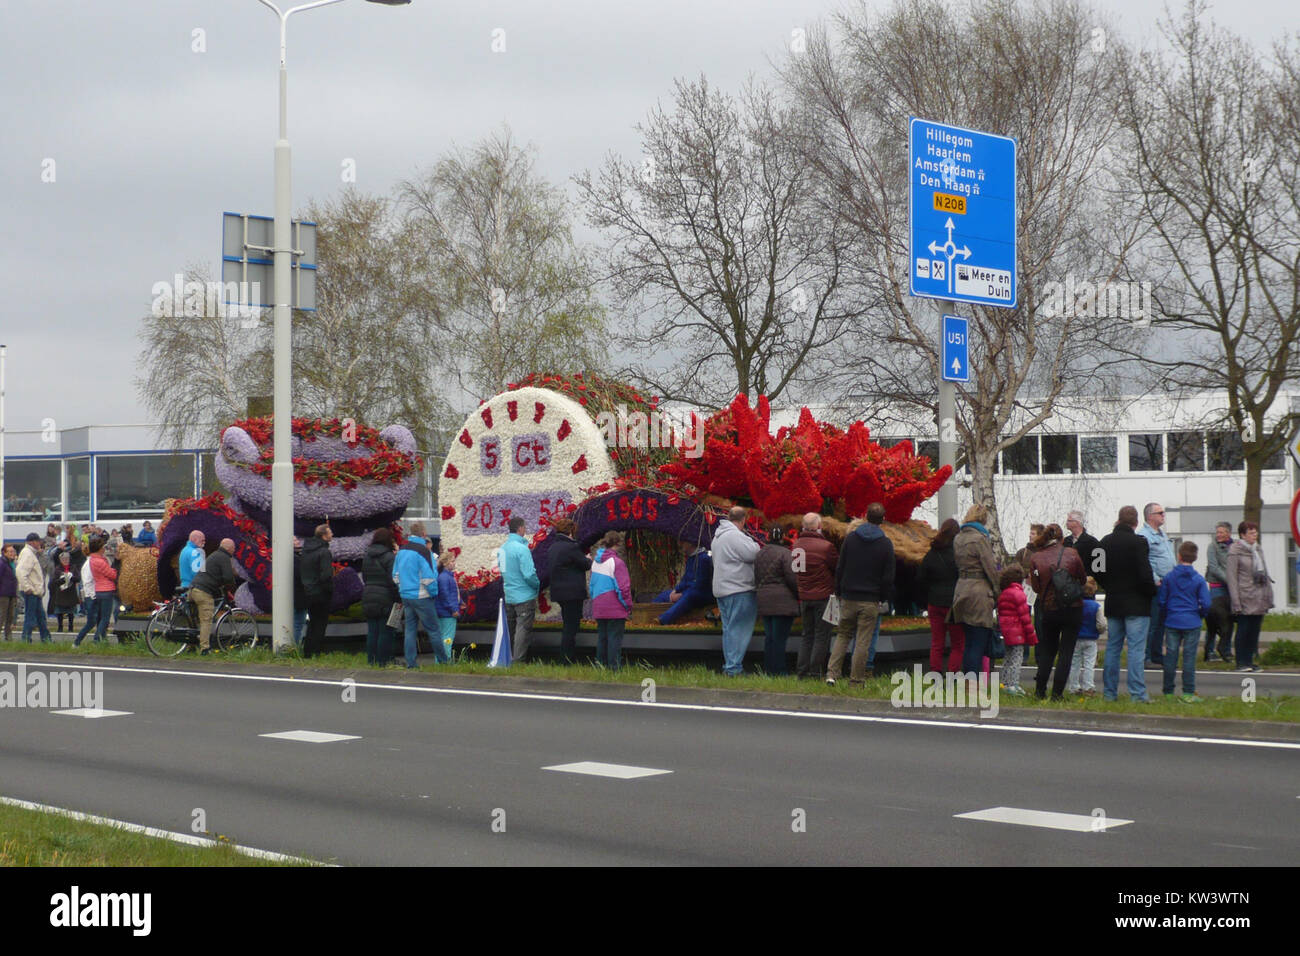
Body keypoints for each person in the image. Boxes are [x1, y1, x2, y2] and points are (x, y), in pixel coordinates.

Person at [829, 503, 895, 686]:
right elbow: (888, 576)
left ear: (865, 516)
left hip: (849, 596)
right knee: (862, 641)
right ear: (883, 519)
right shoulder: (885, 544)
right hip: (870, 599)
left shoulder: (851, 539)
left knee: (843, 636)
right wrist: (882, 597)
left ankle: (832, 674)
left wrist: (839, 590)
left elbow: (841, 566)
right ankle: (856, 679)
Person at [1097, 505, 1157, 702]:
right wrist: (1151, 592)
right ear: (1136, 522)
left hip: (1114, 601)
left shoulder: (1105, 542)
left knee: (1113, 648)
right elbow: (1145, 573)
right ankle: (1137, 694)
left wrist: (1109, 586)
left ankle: (1109, 693)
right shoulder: (1139, 543)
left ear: (1119, 520)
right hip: (1137, 603)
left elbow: (1097, 570)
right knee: (1136, 650)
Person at [1029, 523, 1086, 700]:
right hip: (1072, 607)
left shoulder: (1036, 558)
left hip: (1049, 609)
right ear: (1062, 538)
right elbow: (1082, 579)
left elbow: (1037, 587)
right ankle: (1057, 694)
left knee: (1047, 650)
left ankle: (1039, 691)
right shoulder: (1072, 554)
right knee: (1066, 652)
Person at [950, 503, 999, 677]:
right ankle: (972, 684)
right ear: (983, 518)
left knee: (968, 641)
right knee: (978, 642)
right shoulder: (980, 538)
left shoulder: (958, 538)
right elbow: (990, 567)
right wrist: (997, 591)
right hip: (978, 592)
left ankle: (966, 681)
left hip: (961, 589)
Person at [711, 506, 761, 677]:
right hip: (738, 588)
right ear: (743, 520)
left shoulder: (718, 537)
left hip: (722, 589)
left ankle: (730, 665)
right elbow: (753, 553)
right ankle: (733, 668)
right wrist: (754, 543)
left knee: (730, 629)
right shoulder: (735, 536)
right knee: (739, 629)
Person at [1159, 540, 1211, 701]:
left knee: (1170, 657)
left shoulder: (1169, 578)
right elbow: (1207, 603)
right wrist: (1200, 614)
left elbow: (1162, 601)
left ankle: (1168, 692)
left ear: (1179, 556)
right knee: (1189, 658)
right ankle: (1188, 692)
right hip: (1192, 621)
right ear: (1195, 557)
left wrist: (1167, 613)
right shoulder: (1198, 580)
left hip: (1173, 620)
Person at [793, 513, 838, 679]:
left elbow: (795, 570)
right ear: (818, 526)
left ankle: (801, 671)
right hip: (823, 595)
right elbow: (837, 567)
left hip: (804, 596)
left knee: (807, 635)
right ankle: (814, 672)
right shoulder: (826, 547)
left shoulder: (796, 545)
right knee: (821, 636)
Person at [919, 517, 964, 674]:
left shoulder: (932, 554)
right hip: (954, 605)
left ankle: (935, 674)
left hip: (934, 603)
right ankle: (952, 675)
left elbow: (921, 579)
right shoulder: (959, 555)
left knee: (937, 642)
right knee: (958, 644)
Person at [1226, 521, 1272, 672]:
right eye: (1251, 533)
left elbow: (1264, 572)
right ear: (1242, 535)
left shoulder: (1257, 549)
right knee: (1244, 629)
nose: (1255, 535)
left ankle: (1250, 660)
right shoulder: (1235, 551)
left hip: (1259, 595)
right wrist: (1235, 601)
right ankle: (1241, 661)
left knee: (1254, 630)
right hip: (1244, 595)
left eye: (1255, 532)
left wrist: (1268, 595)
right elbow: (1231, 577)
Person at [393, 521, 439, 669]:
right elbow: (429, 578)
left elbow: (395, 575)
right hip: (422, 596)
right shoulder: (425, 551)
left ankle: (411, 663)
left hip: (406, 595)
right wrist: (434, 593)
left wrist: (403, 588)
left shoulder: (402, 551)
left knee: (410, 630)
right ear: (424, 534)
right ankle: (444, 661)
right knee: (433, 630)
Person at [755, 525, 799, 676]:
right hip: (783, 602)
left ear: (768, 537)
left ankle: (768, 669)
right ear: (782, 537)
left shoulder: (759, 554)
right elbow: (792, 578)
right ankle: (780, 671)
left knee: (770, 637)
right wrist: (799, 595)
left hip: (764, 600)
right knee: (780, 639)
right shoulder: (786, 554)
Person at [546, 517, 591, 662]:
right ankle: (566, 658)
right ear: (571, 531)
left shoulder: (553, 547)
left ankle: (567, 656)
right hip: (572, 593)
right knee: (571, 628)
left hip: (559, 593)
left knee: (567, 624)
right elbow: (585, 564)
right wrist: (588, 558)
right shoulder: (571, 547)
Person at [1138, 502, 1175, 666]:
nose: (1163, 515)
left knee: (1162, 623)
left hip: (1168, 584)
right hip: (1156, 585)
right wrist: (1155, 579)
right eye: (1160, 513)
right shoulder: (1144, 535)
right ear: (1150, 516)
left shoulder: (1162, 534)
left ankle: (1157, 655)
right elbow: (1144, 560)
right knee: (1153, 623)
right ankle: (1147, 657)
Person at [590, 531, 632, 670]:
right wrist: (627, 606)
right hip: (615, 607)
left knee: (602, 638)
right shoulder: (617, 563)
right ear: (618, 544)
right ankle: (614, 668)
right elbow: (623, 588)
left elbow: (592, 586)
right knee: (614, 638)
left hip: (599, 605)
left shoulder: (595, 563)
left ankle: (600, 666)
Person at [500, 516, 540, 662]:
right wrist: (536, 585)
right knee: (523, 630)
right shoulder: (522, 549)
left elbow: (502, 571)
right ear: (520, 528)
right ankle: (519, 661)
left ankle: (509, 659)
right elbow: (529, 574)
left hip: (509, 594)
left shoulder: (503, 549)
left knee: (511, 629)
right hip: (524, 595)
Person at [190, 538, 237, 655]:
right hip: (203, 592)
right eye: (234, 548)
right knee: (206, 619)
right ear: (228, 548)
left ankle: (190, 645)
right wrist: (233, 587)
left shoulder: (214, 555)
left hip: (193, 590)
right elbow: (228, 577)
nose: (234, 550)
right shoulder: (224, 557)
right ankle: (205, 649)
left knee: (193, 619)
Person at [361, 528, 400, 666]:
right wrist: (398, 598)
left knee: (372, 631)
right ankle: (383, 661)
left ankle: (371, 660)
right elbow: (393, 580)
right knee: (385, 631)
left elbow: (365, 577)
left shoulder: (367, 556)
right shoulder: (389, 557)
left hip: (368, 594)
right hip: (385, 597)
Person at [996, 565, 1036, 696]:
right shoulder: (1019, 594)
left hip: (1007, 631)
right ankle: (1013, 684)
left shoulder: (1003, 594)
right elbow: (1025, 617)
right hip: (1017, 631)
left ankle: (1005, 683)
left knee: (1008, 658)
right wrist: (1031, 635)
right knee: (1017, 659)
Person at [654, 540, 714, 625]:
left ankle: (663, 620)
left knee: (689, 596)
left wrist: (681, 594)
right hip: (690, 591)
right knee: (665, 594)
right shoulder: (691, 558)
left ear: (690, 543)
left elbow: (700, 584)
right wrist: (675, 591)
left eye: (683, 541)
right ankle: (650, 613)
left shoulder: (704, 558)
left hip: (702, 594)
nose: (679, 544)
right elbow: (685, 579)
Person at [1065, 577, 1106, 696]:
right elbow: (1101, 624)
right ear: (1094, 590)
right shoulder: (1096, 606)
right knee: (1089, 664)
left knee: (1075, 663)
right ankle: (1088, 686)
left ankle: (1074, 687)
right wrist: (1099, 631)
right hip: (1091, 638)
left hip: (1076, 637)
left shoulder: (1075, 605)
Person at [299, 525, 335, 659]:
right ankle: (316, 652)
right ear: (324, 536)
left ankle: (308, 651)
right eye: (330, 532)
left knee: (313, 623)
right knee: (320, 624)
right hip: (321, 592)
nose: (332, 534)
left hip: (308, 591)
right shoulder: (324, 552)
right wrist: (330, 590)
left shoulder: (306, 550)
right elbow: (326, 574)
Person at [1203, 521, 1235, 663]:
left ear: (1228, 533)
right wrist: (1229, 580)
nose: (1219, 535)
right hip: (1217, 587)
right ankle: (1209, 651)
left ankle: (1226, 650)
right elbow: (1214, 567)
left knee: (1228, 620)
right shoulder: (1212, 547)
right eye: (1217, 532)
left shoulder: (1235, 546)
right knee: (1214, 621)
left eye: (1222, 532)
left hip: (1231, 588)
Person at [17, 533, 53, 643]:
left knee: (40, 616)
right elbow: (20, 571)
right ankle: (26, 639)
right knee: (31, 616)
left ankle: (46, 638)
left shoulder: (31, 553)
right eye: (37, 541)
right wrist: (27, 587)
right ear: (31, 542)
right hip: (31, 591)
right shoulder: (28, 554)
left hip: (34, 591)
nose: (39, 543)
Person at [87, 535, 121, 644]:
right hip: (106, 590)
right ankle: (96, 639)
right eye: (103, 547)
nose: (104, 548)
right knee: (105, 618)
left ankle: (103, 638)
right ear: (98, 548)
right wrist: (115, 569)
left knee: (101, 616)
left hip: (99, 589)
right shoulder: (100, 561)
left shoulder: (92, 560)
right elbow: (111, 574)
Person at [434, 550, 461, 664]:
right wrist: (453, 609)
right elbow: (445, 595)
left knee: (441, 637)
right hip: (447, 613)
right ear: (445, 563)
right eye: (452, 561)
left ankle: (439, 661)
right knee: (447, 638)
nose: (454, 563)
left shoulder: (443, 576)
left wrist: (461, 601)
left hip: (441, 611)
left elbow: (450, 593)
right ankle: (446, 660)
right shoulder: (446, 577)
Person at [73, 541, 100, 646]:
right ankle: (77, 641)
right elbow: (88, 581)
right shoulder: (89, 564)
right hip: (91, 595)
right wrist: (94, 595)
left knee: (97, 620)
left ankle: (98, 640)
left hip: (91, 594)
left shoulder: (88, 563)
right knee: (92, 621)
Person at [1064, 510, 1101, 578]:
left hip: (1085, 583)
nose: (1066, 523)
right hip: (1067, 584)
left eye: (1069, 521)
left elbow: (1099, 567)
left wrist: (1090, 578)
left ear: (1077, 523)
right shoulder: (1066, 541)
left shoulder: (1092, 542)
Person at [51, 551, 80, 631]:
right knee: (59, 611)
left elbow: (78, 579)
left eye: (67, 558)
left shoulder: (73, 567)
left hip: (71, 593)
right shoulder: (57, 569)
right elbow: (54, 582)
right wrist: (63, 579)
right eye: (63, 559)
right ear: (60, 560)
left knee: (71, 612)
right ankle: (60, 627)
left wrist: (71, 577)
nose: (65, 560)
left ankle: (71, 627)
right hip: (61, 593)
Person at [292, 536, 308, 647]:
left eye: (297, 539)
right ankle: (295, 646)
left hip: (299, 594)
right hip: (298, 595)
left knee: (298, 622)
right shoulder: (296, 559)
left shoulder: (298, 556)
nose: (297, 541)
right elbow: (301, 574)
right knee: (298, 623)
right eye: (294, 541)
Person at [0, 543, 18, 640]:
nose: (12, 553)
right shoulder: (2, 563)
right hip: (3, 594)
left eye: (13, 551)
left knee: (10, 617)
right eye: (10, 551)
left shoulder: (12, 563)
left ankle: (8, 636)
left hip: (11, 593)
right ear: (4, 553)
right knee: (2, 616)